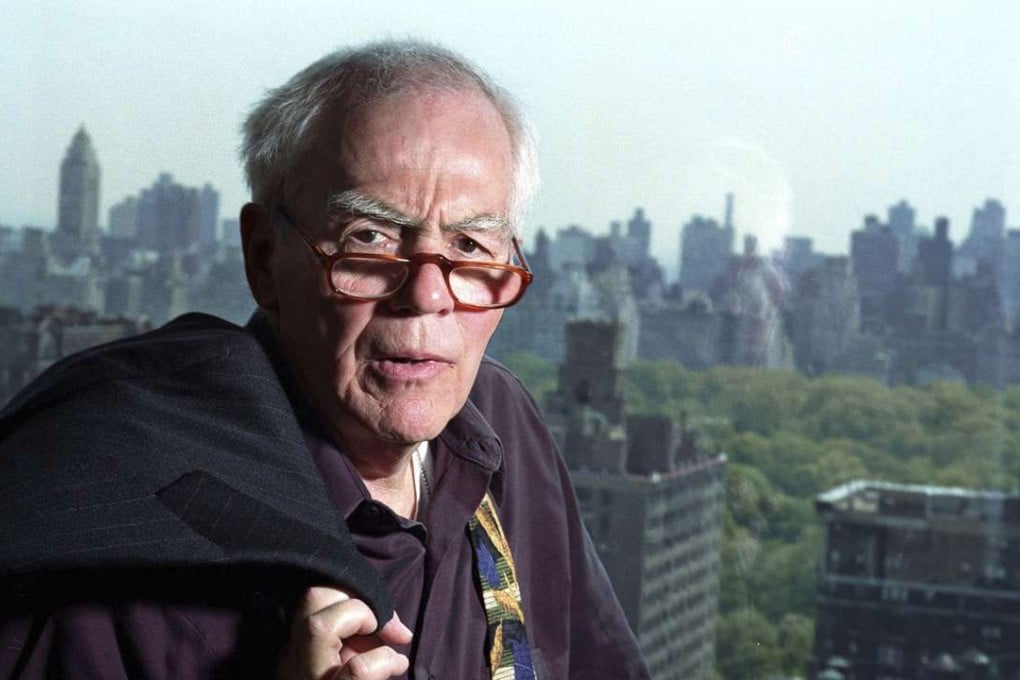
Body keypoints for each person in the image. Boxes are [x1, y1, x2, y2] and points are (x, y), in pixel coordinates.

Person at [0, 41, 650, 679]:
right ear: (263, 258)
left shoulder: (505, 429)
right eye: (369, 238)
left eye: (471, 244)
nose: (427, 294)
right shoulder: (115, 548)